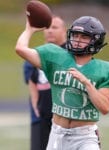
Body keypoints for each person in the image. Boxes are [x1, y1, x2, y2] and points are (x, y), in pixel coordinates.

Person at [16, 16, 109, 150]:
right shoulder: (56, 56)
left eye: (84, 37)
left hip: (84, 137)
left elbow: (105, 107)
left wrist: (87, 83)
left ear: (96, 41)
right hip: (57, 133)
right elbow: (21, 49)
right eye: (75, 35)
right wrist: (29, 29)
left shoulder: (105, 70)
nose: (78, 40)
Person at [23, 15, 67, 150]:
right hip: (41, 118)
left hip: (67, 119)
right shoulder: (36, 54)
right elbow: (32, 82)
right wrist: (36, 107)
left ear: (64, 30)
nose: (50, 31)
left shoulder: (73, 54)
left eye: (54, 27)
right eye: (47, 27)